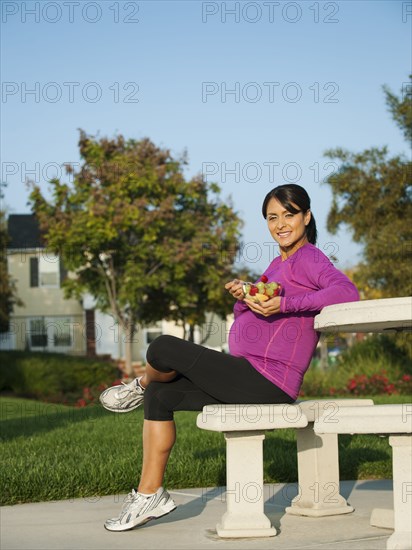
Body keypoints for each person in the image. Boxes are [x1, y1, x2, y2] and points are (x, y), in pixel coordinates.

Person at [99, 183, 359, 532]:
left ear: (306, 216)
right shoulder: (278, 263)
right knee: (162, 396)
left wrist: (284, 303)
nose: (281, 224)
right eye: (272, 217)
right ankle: (150, 495)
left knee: (161, 348)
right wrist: (244, 295)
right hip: (246, 375)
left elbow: (347, 292)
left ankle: (140, 383)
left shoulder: (309, 258)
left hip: (268, 380)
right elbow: (255, 313)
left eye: (289, 215)